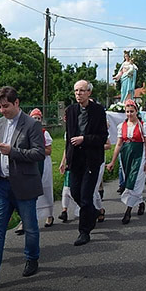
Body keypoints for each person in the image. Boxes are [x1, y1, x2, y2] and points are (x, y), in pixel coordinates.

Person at [0, 87, 46, 286]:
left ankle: (31, 257)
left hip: (24, 183)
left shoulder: (32, 124)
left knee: (30, 226)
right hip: (0, 183)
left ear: (16, 103)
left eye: (6, 106)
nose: (2, 110)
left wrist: (13, 151)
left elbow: (39, 154)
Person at [61, 80, 108, 246]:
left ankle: (84, 231)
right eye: (75, 91)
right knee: (75, 192)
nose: (78, 94)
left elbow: (102, 137)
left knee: (86, 196)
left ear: (89, 92)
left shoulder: (98, 111)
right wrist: (66, 158)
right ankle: (93, 212)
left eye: (81, 91)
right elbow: (68, 137)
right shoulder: (71, 110)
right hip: (75, 159)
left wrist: (84, 139)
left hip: (91, 159)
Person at [106, 100, 146, 224]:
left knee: (134, 182)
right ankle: (140, 202)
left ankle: (128, 211)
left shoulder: (143, 125)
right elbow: (119, 144)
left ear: (136, 112)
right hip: (125, 155)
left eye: (132, 111)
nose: (129, 114)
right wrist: (112, 161)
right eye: (127, 112)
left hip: (138, 155)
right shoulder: (122, 126)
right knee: (128, 181)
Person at [29, 109, 56, 228]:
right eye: (34, 118)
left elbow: (49, 151)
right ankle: (27, 219)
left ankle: (49, 215)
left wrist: (37, 151)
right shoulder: (27, 132)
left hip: (43, 162)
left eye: (38, 118)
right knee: (29, 191)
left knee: (45, 188)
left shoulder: (44, 133)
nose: (36, 120)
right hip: (31, 163)